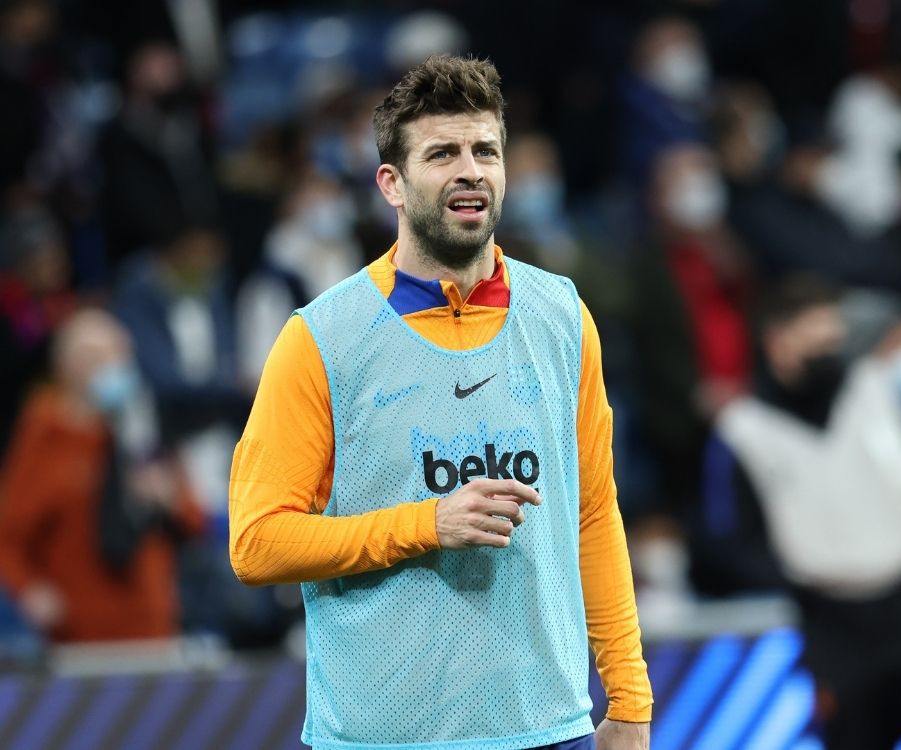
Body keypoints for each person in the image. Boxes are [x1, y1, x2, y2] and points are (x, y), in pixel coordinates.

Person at [228, 55, 651, 750]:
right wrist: (428, 522)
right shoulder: (322, 339)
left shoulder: (562, 317)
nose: (471, 169)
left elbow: (594, 512)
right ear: (391, 183)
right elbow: (256, 543)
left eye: (486, 150)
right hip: (380, 736)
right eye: (443, 153)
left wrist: (630, 699)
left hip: (547, 729)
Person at [694, 278, 901, 750]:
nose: (834, 353)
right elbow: (725, 541)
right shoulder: (741, 432)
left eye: (836, 339)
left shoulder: (879, 391)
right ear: (779, 343)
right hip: (836, 631)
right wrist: (800, 573)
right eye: (819, 342)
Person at [0, 309, 203, 641]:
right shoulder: (44, 434)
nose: (115, 364)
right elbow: (9, 538)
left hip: (152, 630)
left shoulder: (143, 430)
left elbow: (194, 521)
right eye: (98, 355)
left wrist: (169, 498)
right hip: (77, 636)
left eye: (121, 352)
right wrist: (29, 591)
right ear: (67, 367)